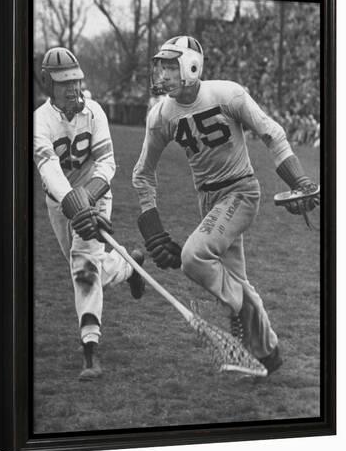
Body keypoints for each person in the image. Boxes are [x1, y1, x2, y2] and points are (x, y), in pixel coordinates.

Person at [132, 35, 319, 375]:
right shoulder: (161, 115)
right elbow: (142, 174)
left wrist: (298, 180)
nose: (163, 74)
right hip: (209, 201)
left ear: (191, 66)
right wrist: (154, 231)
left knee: (193, 256)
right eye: (161, 66)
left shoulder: (226, 94)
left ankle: (237, 314)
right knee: (236, 279)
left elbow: (271, 132)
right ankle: (267, 353)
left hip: (241, 192)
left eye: (171, 66)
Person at [34, 47, 145, 381]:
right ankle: (129, 265)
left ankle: (90, 351)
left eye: (76, 81)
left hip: (96, 194)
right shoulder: (39, 121)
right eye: (64, 83)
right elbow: (47, 167)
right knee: (87, 264)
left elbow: (107, 162)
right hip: (61, 203)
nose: (73, 89)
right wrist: (72, 203)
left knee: (83, 266)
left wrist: (89, 199)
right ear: (47, 84)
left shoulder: (95, 112)